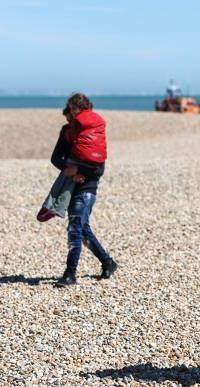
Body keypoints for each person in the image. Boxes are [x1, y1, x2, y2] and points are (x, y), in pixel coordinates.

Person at [53, 93, 117, 287]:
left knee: (75, 228)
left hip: (88, 187)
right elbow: (56, 158)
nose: (73, 117)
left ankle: (70, 274)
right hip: (70, 186)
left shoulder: (93, 133)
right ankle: (108, 262)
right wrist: (72, 173)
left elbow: (99, 168)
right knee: (82, 228)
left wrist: (79, 171)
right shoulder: (66, 132)